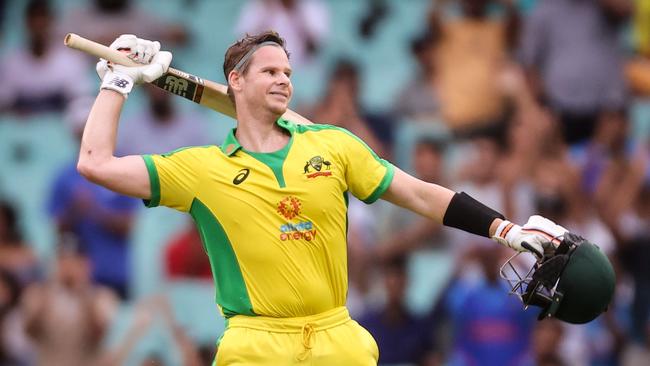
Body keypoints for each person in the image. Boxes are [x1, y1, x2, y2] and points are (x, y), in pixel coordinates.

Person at [77, 31, 575, 365]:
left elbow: (420, 193)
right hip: (256, 346)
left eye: (288, 72)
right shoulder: (200, 168)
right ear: (236, 81)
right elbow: (95, 163)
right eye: (269, 71)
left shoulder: (333, 146)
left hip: (337, 340)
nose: (284, 80)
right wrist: (118, 82)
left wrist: (504, 229)